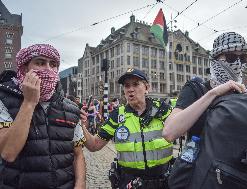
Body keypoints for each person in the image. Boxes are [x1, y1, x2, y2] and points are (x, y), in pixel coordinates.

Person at [163, 31, 247, 142]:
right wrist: (213, 93)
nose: (237, 63)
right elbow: (169, 133)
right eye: (231, 57)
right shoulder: (196, 89)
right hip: (204, 164)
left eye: (243, 58)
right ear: (215, 59)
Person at [0, 44, 86, 189]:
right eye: (40, 63)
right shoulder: (4, 100)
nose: (48, 69)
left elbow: (78, 154)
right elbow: (8, 153)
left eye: (53, 65)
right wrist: (29, 102)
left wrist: (80, 184)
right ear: (24, 68)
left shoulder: (71, 108)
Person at [81, 68, 173, 189]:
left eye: (135, 84)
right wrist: (80, 125)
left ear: (147, 88)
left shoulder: (163, 110)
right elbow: (94, 145)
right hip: (129, 183)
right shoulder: (117, 115)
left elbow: (184, 129)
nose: (130, 89)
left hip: (163, 181)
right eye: (126, 86)